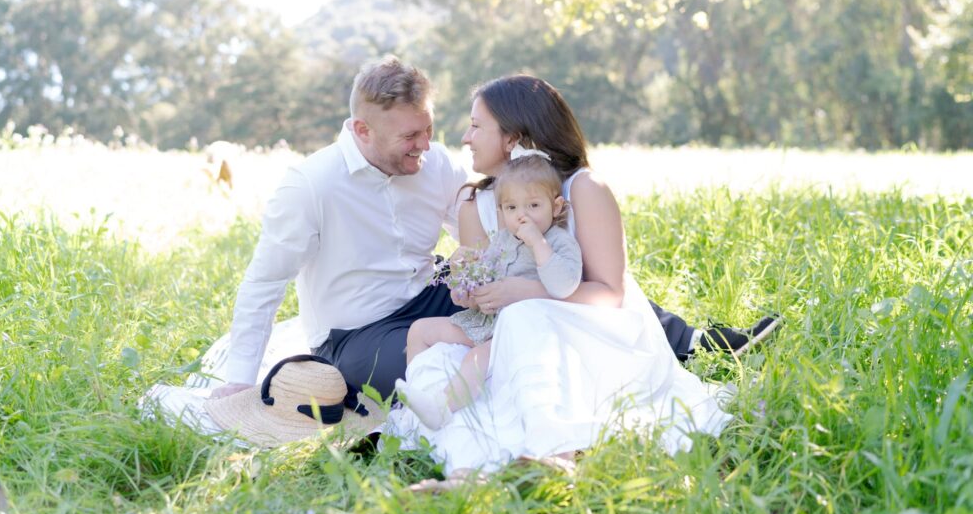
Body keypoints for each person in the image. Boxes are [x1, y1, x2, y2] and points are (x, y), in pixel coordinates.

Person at [384, 75, 771, 477]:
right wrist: (473, 292)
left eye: (477, 126)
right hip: (503, 327)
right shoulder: (473, 201)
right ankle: (461, 456)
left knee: (521, 318)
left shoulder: (582, 189)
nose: (466, 137)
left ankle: (550, 454)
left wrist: (525, 293)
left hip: (589, 330)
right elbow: (485, 277)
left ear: (513, 137)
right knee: (438, 344)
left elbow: (610, 294)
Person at [208, 55, 468, 402]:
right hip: (357, 335)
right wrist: (240, 380)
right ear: (363, 130)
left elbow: (477, 231)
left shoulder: (435, 162)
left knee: (520, 314)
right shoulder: (310, 185)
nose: (424, 145)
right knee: (440, 368)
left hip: (433, 293)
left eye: (428, 130)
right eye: (409, 136)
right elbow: (265, 282)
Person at [396, 154, 583, 429]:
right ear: (501, 211)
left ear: (556, 207)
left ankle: (441, 408)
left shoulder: (558, 242)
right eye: (511, 208)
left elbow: (564, 286)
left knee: (478, 358)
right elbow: (485, 285)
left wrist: (537, 242)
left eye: (533, 205)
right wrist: (467, 293)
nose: (522, 216)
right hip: (489, 323)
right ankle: (417, 400)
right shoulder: (502, 241)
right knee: (420, 331)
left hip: (524, 330)